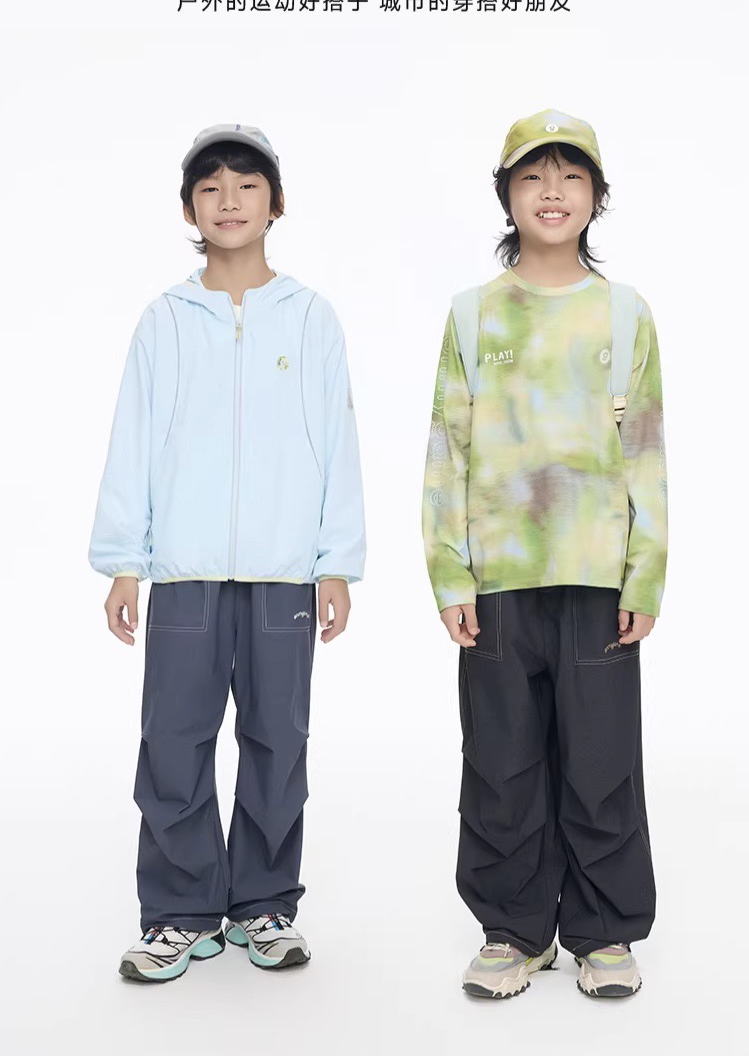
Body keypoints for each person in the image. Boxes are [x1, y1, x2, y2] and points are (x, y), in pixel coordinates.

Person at [88, 123, 366, 983]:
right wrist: (124, 561)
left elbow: (339, 442)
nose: (229, 200)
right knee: (173, 739)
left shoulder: (310, 317)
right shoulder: (165, 320)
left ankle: (264, 906)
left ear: (276, 204)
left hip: (286, 572)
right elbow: (133, 438)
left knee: (278, 740)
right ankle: (178, 912)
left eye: (247, 185)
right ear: (188, 210)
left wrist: (336, 561)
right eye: (209, 187)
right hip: (184, 571)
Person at [421, 108, 667, 1000]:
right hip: (498, 579)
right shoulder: (471, 314)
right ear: (506, 195)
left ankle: (602, 931)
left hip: (597, 577)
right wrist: (448, 570)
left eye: (570, 176)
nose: (551, 192)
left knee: (601, 760)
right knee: (501, 760)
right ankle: (512, 930)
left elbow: (645, 451)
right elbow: (447, 449)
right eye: (532, 176)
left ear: (597, 195)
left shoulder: (624, 313)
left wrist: (644, 574)